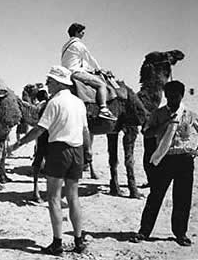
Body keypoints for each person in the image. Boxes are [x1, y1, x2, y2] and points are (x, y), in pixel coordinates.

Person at [9, 65, 90, 256]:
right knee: (73, 197)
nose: (48, 85)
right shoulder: (79, 103)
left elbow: (39, 130)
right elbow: (86, 131)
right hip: (77, 150)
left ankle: (57, 243)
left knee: (53, 198)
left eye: (50, 81)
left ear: (59, 82)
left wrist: (18, 144)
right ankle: (79, 241)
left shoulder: (54, 103)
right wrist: (88, 152)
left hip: (59, 150)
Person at [130, 80, 198, 247]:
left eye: (175, 97)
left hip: (184, 160)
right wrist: (163, 126)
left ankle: (180, 234)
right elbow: (146, 132)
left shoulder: (189, 114)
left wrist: (196, 149)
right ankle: (144, 231)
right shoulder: (158, 114)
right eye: (169, 97)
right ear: (165, 96)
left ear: (181, 96)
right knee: (155, 196)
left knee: (183, 198)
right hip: (164, 159)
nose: (172, 100)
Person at [61, 23, 117, 121]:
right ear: (76, 32)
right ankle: (104, 109)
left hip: (67, 73)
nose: (83, 33)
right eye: (82, 31)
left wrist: (92, 70)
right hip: (76, 73)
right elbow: (90, 59)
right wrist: (100, 69)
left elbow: (81, 63)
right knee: (101, 84)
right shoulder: (78, 44)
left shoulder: (65, 46)